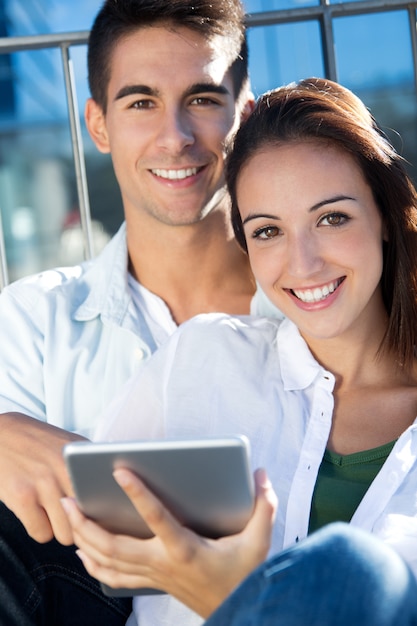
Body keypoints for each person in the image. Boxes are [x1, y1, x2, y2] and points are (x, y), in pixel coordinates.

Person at [62, 77, 417, 626]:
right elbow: (82, 518)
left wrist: (225, 596)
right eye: (268, 231)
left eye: (331, 218)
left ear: (384, 218)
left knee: (357, 572)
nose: (302, 265)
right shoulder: (201, 359)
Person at [0, 1, 281, 624]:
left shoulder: (317, 313)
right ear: (98, 125)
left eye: (203, 99)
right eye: (141, 102)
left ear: (247, 112)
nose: (175, 136)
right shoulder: (29, 322)